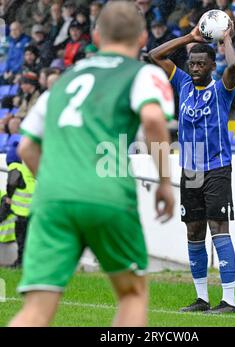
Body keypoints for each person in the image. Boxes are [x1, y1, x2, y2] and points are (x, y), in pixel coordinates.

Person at [9, 1, 175, 327]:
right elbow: (154, 119)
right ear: (143, 39)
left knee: (36, 310)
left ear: (96, 37)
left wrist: (59, 182)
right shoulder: (143, 73)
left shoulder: (64, 81)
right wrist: (165, 183)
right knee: (131, 295)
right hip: (106, 193)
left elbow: (27, 146)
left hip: (54, 200)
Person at [149, 22, 235, 314]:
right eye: (193, 63)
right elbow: (154, 55)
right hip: (190, 170)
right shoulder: (183, 83)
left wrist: (226, 41)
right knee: (194, 231)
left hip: (217, 167)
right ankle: (202, 298)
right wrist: (189, 37)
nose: (196, 67)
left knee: (218, 228)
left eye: (202, 63)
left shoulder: (222, 88)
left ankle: (229, 300)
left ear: (213, 65)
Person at [5, 138, 35, 268]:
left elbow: (12, 182)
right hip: (32, 211)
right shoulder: (25, 169)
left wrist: (9, 196)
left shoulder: (15, 167)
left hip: (23, 213)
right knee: (28, 240)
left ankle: (20, 263)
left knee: (21, 239)